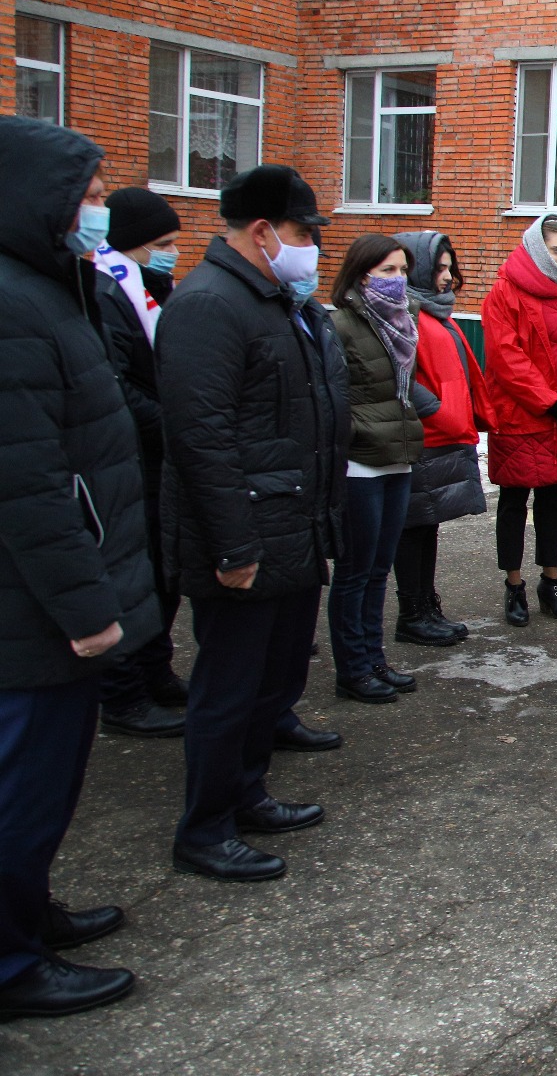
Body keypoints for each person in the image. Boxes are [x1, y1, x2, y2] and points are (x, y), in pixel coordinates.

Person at [0, 119, 157, 1021]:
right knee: (19, 788)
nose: (99, 210)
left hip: (49, 608)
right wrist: (86, 606)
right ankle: (9, 962)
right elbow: (26, 485)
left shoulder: (47, 289)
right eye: (88, 196)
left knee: (46, 787)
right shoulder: (12, 305)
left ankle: (29, 912)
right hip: (29, 618)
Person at [157, 165, 348, 882]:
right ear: (263, 231)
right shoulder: (208, 305)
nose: (313, 251)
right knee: (229, 690)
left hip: (290, 529)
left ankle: (248, 792)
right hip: (246, 542)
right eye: (304, 235)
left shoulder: (269, 300)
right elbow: (200, 439)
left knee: (274, 680)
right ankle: (205, 827)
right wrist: (234, 545)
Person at [91, 188, 190, 737]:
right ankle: (122, 694)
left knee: (162, 573)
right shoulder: (107, 294)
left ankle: (156, 671)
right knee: (135, 577)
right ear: (131, 245)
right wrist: (175, 422)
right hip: (130, 461)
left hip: (158, 459)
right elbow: (118, 388)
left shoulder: (151, 290)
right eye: (162, 244)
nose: (171, 253)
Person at [482, 216, 557, 627]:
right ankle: (513, 584)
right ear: (537, 247)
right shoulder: (505, 291)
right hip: (521, 415)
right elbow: (505, 357)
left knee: (554, 504)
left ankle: (551, 580)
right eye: (556, 250)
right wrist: (548, 401)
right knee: (515, 502)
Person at [327, 234, 431, 704]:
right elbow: (335, 397)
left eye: (403, 271)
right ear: (360, 273)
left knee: (378, 570)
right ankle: (352, 668)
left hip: (398, 456)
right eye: (387, 271)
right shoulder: (341, 324)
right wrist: (360, 434)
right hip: (361, 463)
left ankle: (374, 658)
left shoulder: (402, 322)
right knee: (355, 570)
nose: (397, 280)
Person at [392, 231, 488, 650]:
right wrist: (438, 411)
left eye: (450, 267)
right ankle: (412, 613)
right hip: (421, 436)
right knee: (413, 528)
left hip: (440, 433)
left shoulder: (432, 312)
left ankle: (426, 606)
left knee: (426, 524)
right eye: (439, 268)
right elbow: (402, 376)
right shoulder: (405, 313)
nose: (447, 276)